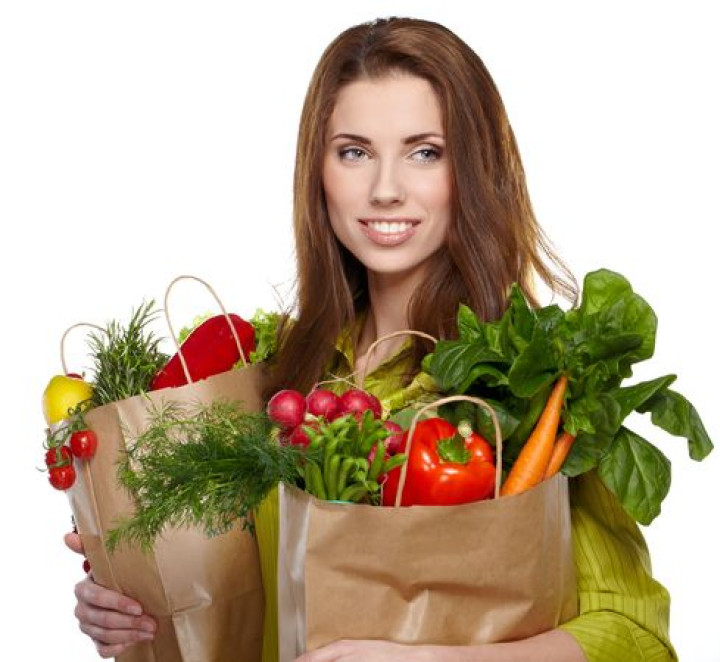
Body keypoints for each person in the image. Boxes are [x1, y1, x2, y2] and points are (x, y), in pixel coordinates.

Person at [67, 16, 675, 661]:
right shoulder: (268, 375)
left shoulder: (535, 385)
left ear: (473, 169)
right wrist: (135, 605)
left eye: (425, 152)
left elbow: (635, 637)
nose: (385, 190)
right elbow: (236, 609)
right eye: (354, 151)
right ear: (318, 171)